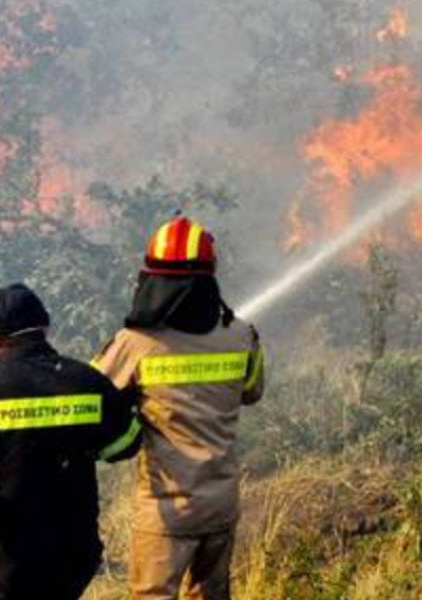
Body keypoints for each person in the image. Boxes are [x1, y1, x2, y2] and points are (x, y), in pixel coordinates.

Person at [92, 216, 266, 600]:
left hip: (166, 510)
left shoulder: (135, 343)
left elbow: (91, 396)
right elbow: (252, 391)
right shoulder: (241, 335)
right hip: (221, 503)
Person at [0, 283, 141, 600]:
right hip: (73, 549)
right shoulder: (88, 381)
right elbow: (125, 445)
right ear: (44, 328)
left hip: (2, 555)